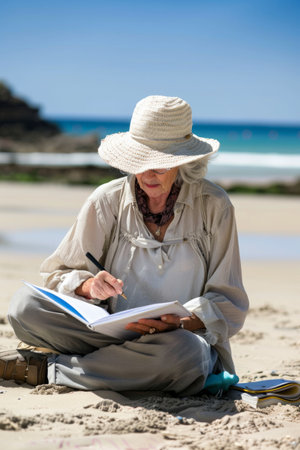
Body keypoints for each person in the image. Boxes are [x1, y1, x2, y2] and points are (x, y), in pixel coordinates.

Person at [0, 95, 249, 394]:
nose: (146, 174)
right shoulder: (106, 200)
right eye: (139, 161)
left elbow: (229, 303)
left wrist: (183, 320)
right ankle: (121, 367)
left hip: (176, 341)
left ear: (184, 162)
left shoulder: (215, 205)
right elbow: (58, 275)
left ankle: (49, 369)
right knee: (24, 307)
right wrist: (88, 287)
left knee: (186, 355)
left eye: (159, 164)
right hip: (107, 334)